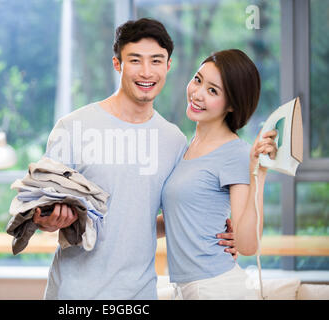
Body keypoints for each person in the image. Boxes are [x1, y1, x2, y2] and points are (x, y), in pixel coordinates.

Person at [31, 18, 235, 300]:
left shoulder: (173, 141)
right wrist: (49, 221)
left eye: (156, 60)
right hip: (74, 293)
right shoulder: (74, 127)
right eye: (135, 60)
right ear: (118, 64)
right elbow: (36, 210)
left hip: (139, 294)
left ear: (168, 66)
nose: (147, 72)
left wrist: (215, 231)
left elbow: (156, 218)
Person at [158, 49, 278, 300]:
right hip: (188, 288)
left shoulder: (236, 153)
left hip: (216, 288)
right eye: (198, 80)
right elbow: (177, 220)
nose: (198, 93)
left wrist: (259, 173)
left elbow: (247, 245)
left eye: (213, 91)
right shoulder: (184, 147)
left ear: (232, 104)